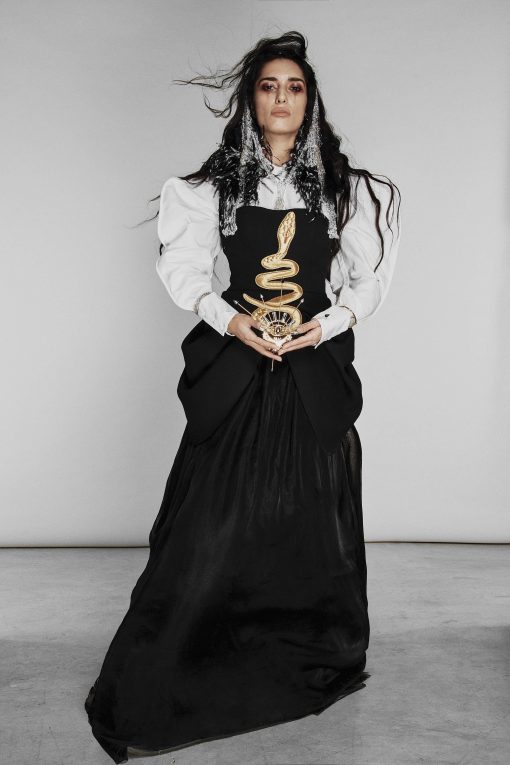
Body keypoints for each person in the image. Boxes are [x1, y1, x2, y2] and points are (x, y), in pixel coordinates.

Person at [84, 30, 401, 763]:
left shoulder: (353, 191)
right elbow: (188, 271)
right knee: (211, 519)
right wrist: (234, 321)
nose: (282, 97)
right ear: (251, 101)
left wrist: (325, 325)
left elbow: (368, 282)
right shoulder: (208, 190)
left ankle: (295, 640)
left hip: (312, 366)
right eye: (268, 85)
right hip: (239, 361)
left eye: (294, 86)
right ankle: (192, 649)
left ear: (310, 101)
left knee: (310, 516)